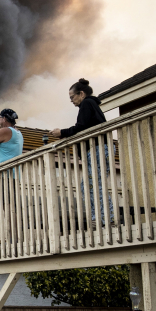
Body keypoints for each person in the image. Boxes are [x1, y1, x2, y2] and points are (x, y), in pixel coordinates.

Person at [49, 78, 113, 224]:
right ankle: (101, 217)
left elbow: (81, 127)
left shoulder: (87, 103)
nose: (71, 101)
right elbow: (85, 127)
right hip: (97, 149)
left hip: (97, 148)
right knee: (89, 185)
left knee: (94, 185)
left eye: (72, 97)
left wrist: (62, 132)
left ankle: (105, 218)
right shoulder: (90, 104)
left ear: (81, 94)